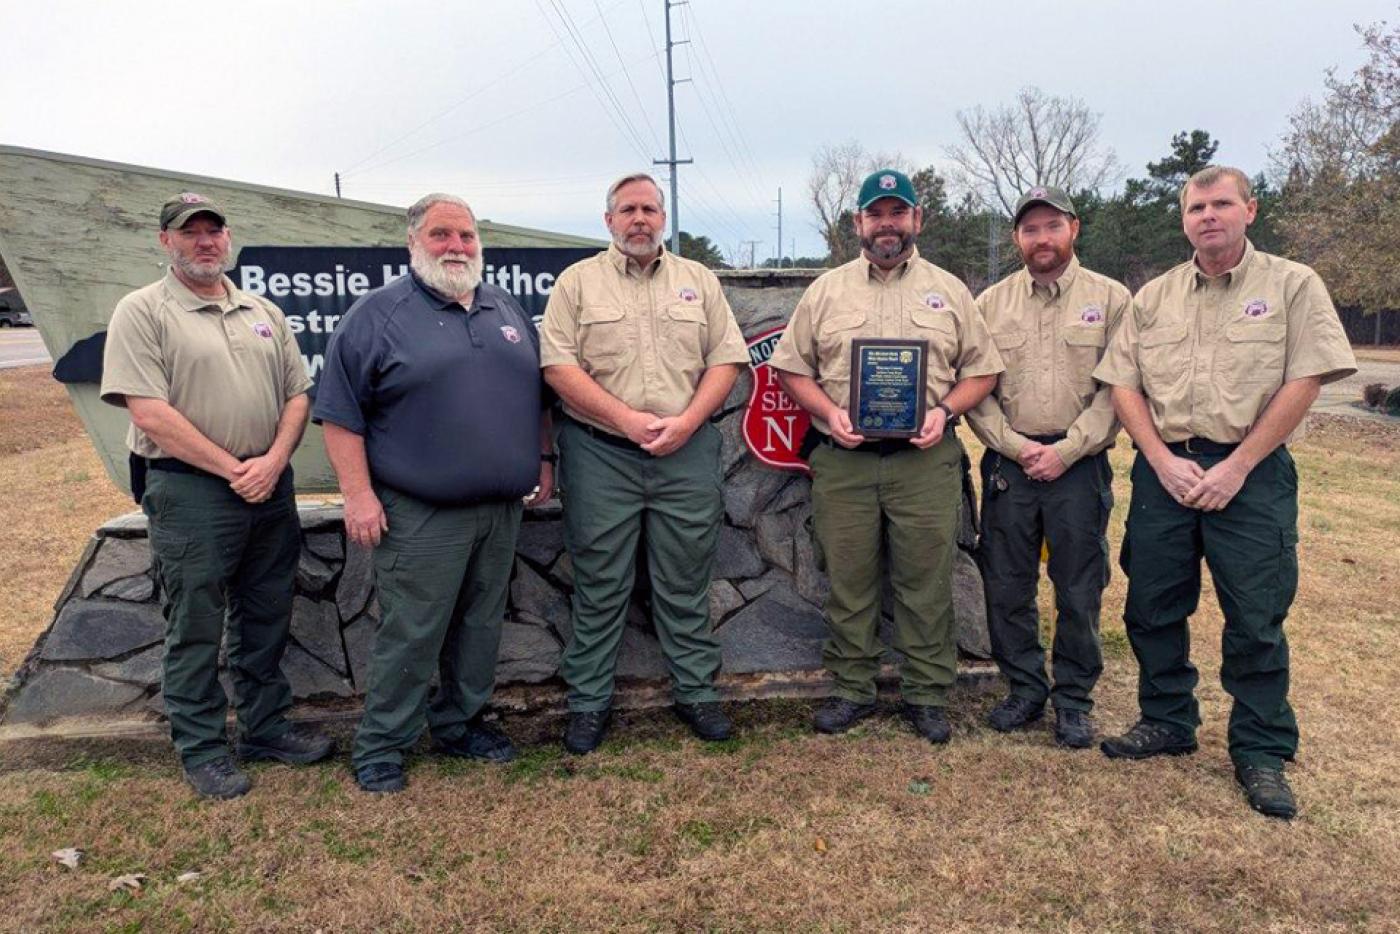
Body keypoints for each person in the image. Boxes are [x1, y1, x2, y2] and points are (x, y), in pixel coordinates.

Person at [1093, 166, 1357, 819]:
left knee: (1255, 616)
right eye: (1196, 207)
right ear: (1183, 218)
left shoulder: (1293, 285)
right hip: (1166, 468)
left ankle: (1262, 749)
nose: (1208, 216)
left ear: (1249, 210)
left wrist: (1238, 466)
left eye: (1221, 204)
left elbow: (1306, 378)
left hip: (1252, 471)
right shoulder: (1152, 297)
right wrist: (1157, 457)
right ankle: (1166, 719)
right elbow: (1123, 383)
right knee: (1151, 604)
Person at [314, 193, 554, 794]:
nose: (456, 247)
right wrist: (358, 495)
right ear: (413, 243)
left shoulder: (506, 308)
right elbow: (341, 417)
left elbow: (537, 397)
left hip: (500, 508)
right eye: (442, 235)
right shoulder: (377, 315)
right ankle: (382, 746)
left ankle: (460, 725)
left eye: (467, 236)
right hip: (420, 513)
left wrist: (544, 458)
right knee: (413, 631)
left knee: (479, 626)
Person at [101, 193, 333, 799]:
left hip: (268, 485)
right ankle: (202, 747)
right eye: (189, 232)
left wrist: (275, 460)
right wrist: (236, 469)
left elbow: (297, 394)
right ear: (166, 241)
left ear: (228, 239)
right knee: (196, 624)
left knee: (265, 615)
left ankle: (265, 728)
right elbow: (149, 410)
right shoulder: (143, 310)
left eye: (214, 230)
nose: (204, 241)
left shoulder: (260, 309)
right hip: (192, 490)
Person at [770, 169, 1003, 744]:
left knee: (926, 581)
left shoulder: (950, 291)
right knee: (849, 579)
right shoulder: (826, 291)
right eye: (876, 214)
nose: (887, 224)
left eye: (898, 213)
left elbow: (984, 370)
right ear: (859, 223)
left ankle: (926, 694)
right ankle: (852, 688)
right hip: (844, 460)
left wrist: (944, 412)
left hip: (924, 461)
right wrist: (829, 414)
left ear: (917, 220)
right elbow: (791, 368)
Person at [539, 172, 748, 754]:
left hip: (686, 451)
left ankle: (696, 692)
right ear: (608, 221)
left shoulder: (697, 280)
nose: (640, 219)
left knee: (683, 579)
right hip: (601, 452)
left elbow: (726, 360)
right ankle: (587, 702)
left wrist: (686, 423)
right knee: (601, 582)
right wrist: (627, 420)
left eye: (650, 209)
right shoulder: (577, 284)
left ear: (664, 218)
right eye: (627, 209)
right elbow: (558, 367)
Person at [966, 186, 1129, 748]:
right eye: (1031, 229)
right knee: (1007, 584)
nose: (1042, 238)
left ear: (1073, 229)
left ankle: (1074, 699)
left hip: (1079, 465)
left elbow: (1120, 390)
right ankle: (1025, 688)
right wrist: (1015, 446)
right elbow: (977, 389)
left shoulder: (1111, 300)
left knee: (1078, 587)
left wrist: (1067, 449)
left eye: (1052, 226)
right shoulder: (989, 305)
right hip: (1010, 463)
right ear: (1017, 238)